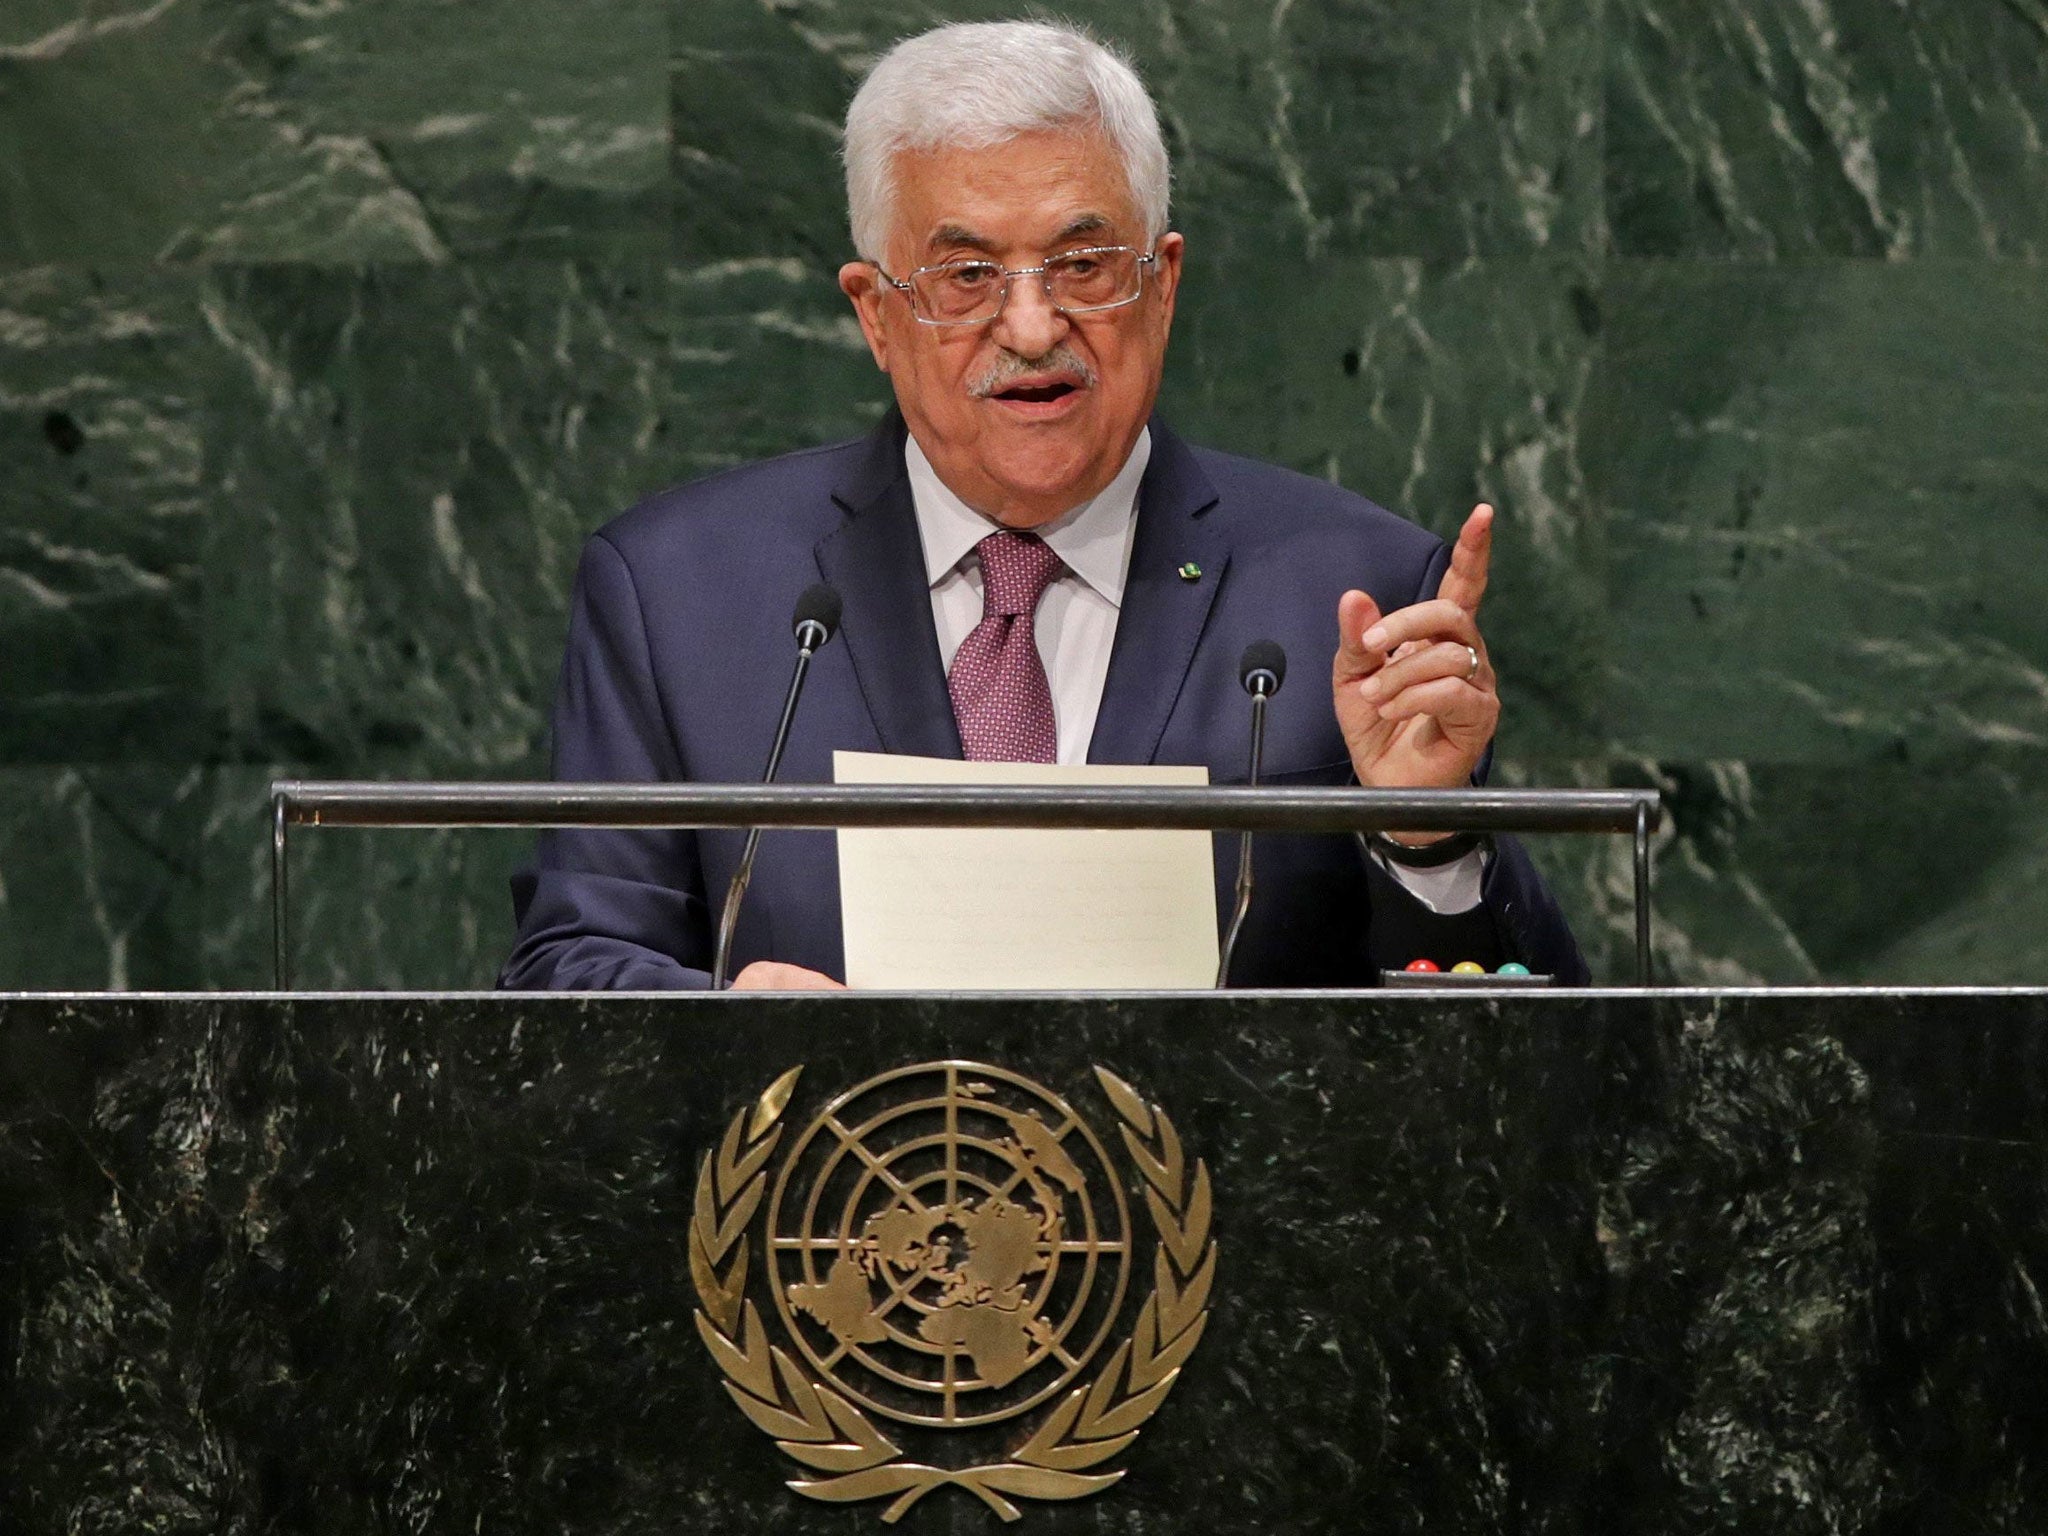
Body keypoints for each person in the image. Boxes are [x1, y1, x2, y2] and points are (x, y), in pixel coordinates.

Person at [500, 19, 1585, 991]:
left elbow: (1528, 1058)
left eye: (1082, 264)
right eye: (965, 276)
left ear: (1161, 287)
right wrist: (732, 1025)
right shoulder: (679, 590)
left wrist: (1428, 839)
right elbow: (574, 958)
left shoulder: (1352, 591)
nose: (1029, 327)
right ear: (875, 315)